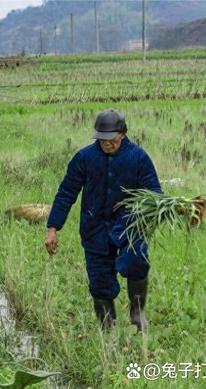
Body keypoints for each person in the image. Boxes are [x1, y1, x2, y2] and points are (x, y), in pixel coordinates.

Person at [44, 109, 161, 332]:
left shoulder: (138, 158)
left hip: (129, 225)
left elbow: (154, 192)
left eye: (112, 140)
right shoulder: (85, 158)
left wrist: (161, 208)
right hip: (94, 226)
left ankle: (137, 312)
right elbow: (66, 192)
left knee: (137, 264)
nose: (107, 144)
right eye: (103, 140)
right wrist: (53, 228)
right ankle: (107, 327)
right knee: (99, 279)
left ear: (123, 134)